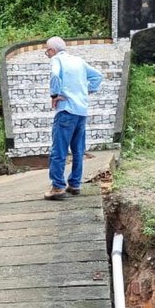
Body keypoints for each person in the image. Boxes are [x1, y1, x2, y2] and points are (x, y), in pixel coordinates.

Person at [43, 37, 103, 200]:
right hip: (81, 111)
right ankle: (75, 183)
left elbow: (55, 75)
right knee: (78, 150)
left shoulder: (56, 60)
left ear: (53, 50)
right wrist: (86, 90)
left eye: (47, 50)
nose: (47, 54)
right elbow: (97, 76)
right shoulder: (79, 61)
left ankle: (57, 187)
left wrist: (54, 94)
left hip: (66, 110)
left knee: (59, 151)